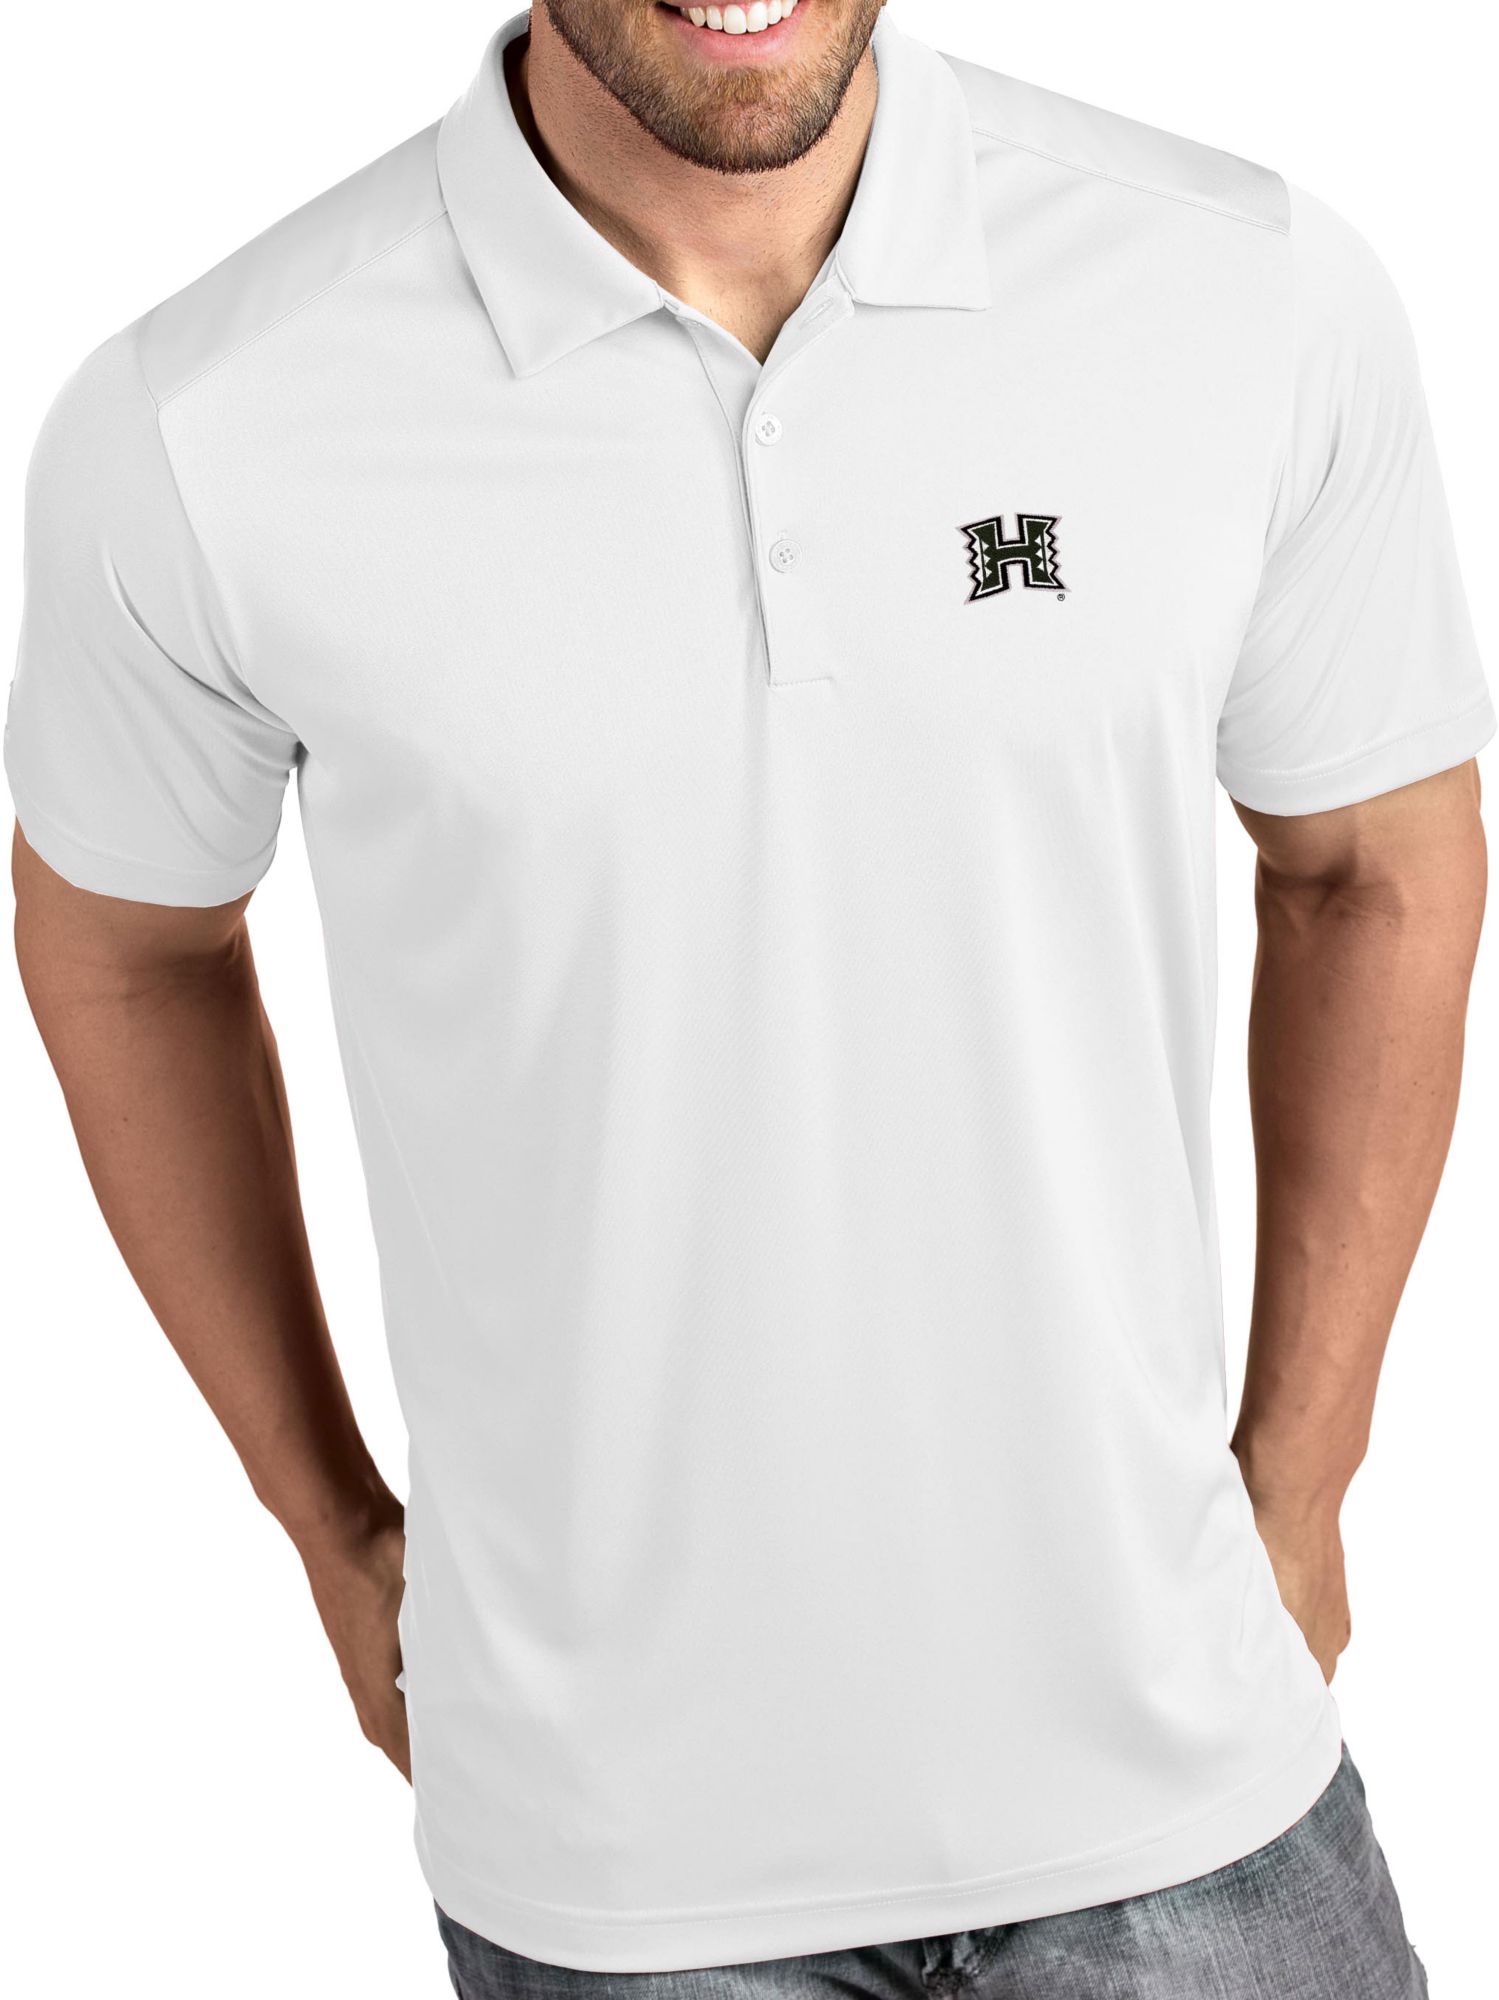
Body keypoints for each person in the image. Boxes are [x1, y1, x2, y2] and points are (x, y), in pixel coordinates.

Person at [6, 3, 1491, 1995]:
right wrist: (329, 1522)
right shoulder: (202, 423)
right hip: (618, 1874)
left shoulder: (1246, 295)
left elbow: (1377, 863)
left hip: (1192, 1789)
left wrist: (1304, 1479)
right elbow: (123, 947)